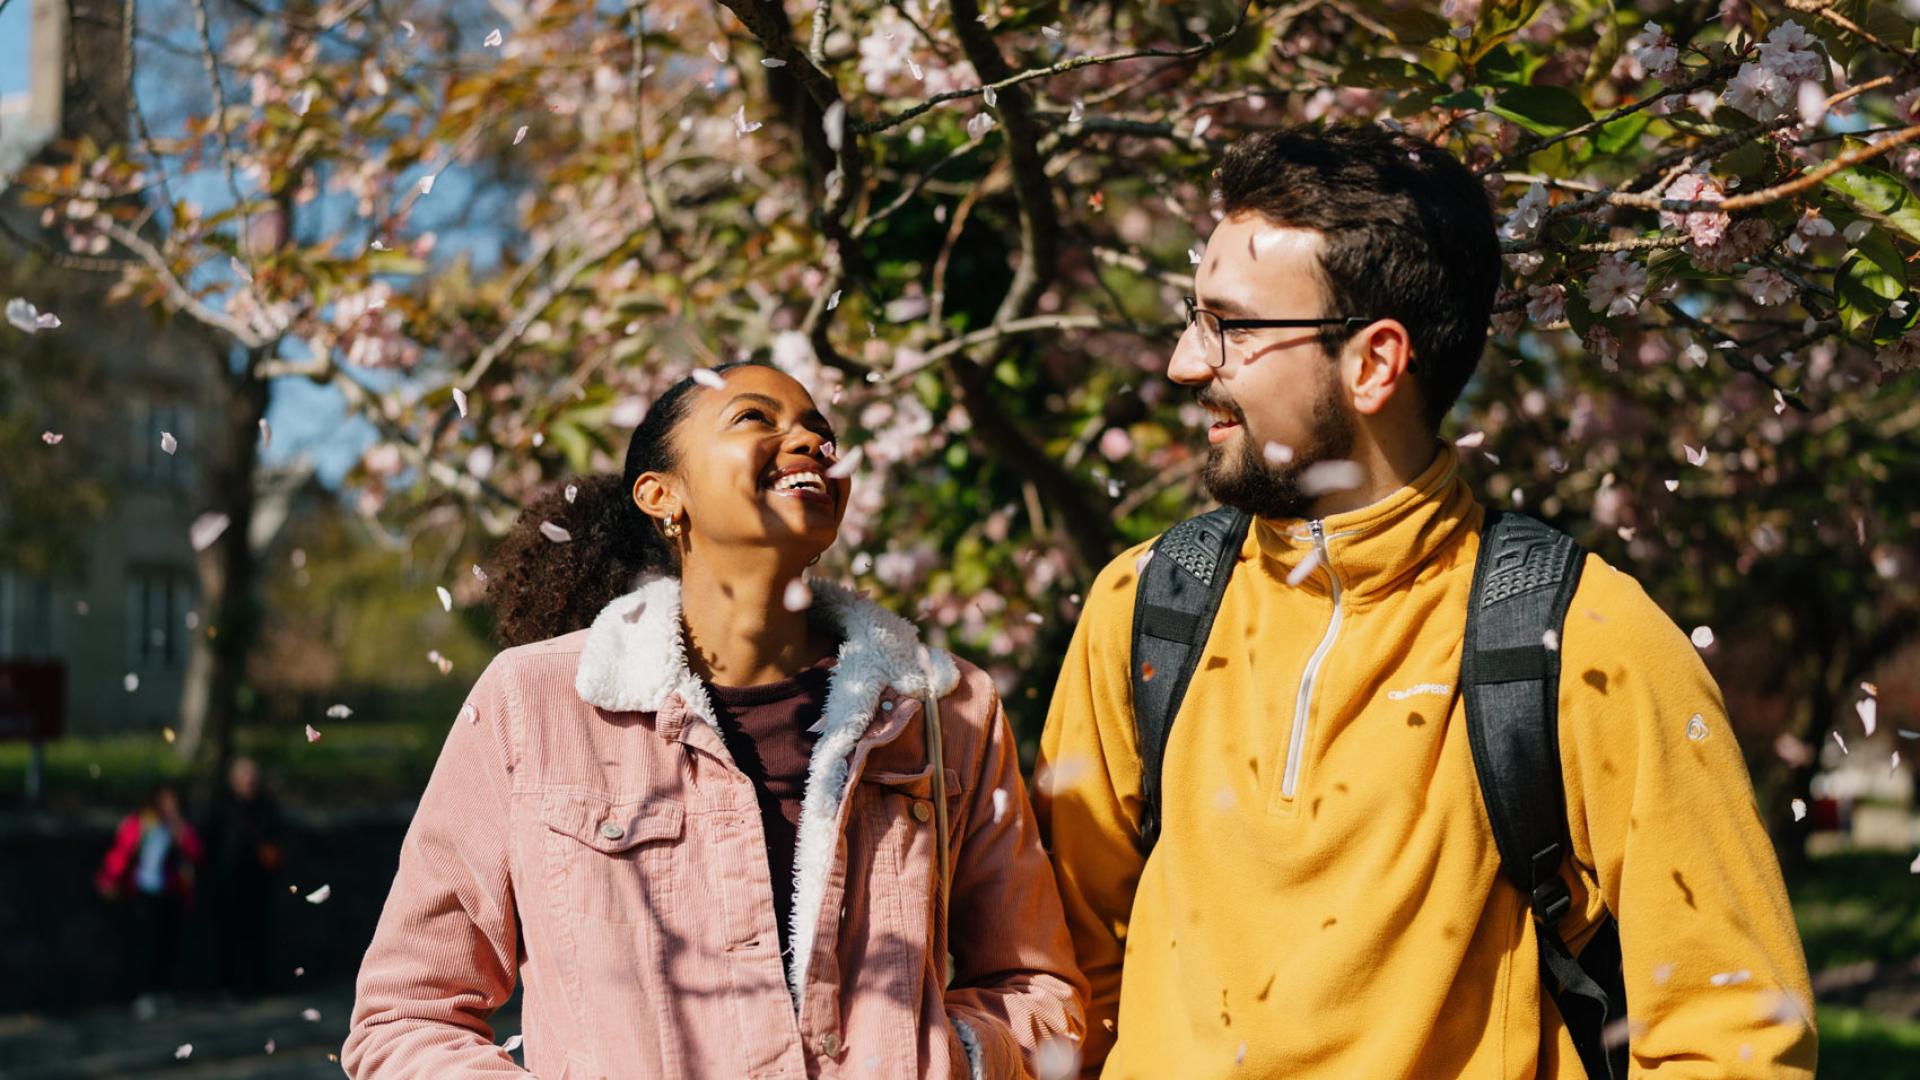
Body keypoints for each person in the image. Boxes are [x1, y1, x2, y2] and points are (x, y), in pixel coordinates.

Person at [1035, 124, 1816, 1078]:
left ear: (1374, 363)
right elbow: (1065, 979)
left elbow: (1730, 1036)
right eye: (1193, 320)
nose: (1186, 366)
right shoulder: (1144, 607)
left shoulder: (1584, 640)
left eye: (1231, 326)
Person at [344, 362, 1085, 1078]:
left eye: (820, 432)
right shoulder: (532, 701)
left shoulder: (943, 708)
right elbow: (407, 1016)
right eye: (756, 418)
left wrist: (951, 1059)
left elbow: (1037, 984)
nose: (809, 443)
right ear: (662, 494)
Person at [96, 781, 204, 1019]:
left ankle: (164, 989)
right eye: (164, 801)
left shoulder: (179, 827)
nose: (168, 807)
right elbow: (122, 852)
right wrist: (110, 878)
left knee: (169, 942)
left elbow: (195, 853)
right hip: (144, 890)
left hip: (172, 891)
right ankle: (144, 992)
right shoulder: (141, 822)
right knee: (146, 943)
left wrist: (180, 832)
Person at [198, 755, 284, 999]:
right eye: (245, 775)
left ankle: (257, 983)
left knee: (258, 934)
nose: (250, 781)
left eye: (253, 776)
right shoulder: (220, 807)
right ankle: (229, 985)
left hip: (257, 883)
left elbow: (277, 838)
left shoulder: (266, 807)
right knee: (227, 935)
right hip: (227, 883)